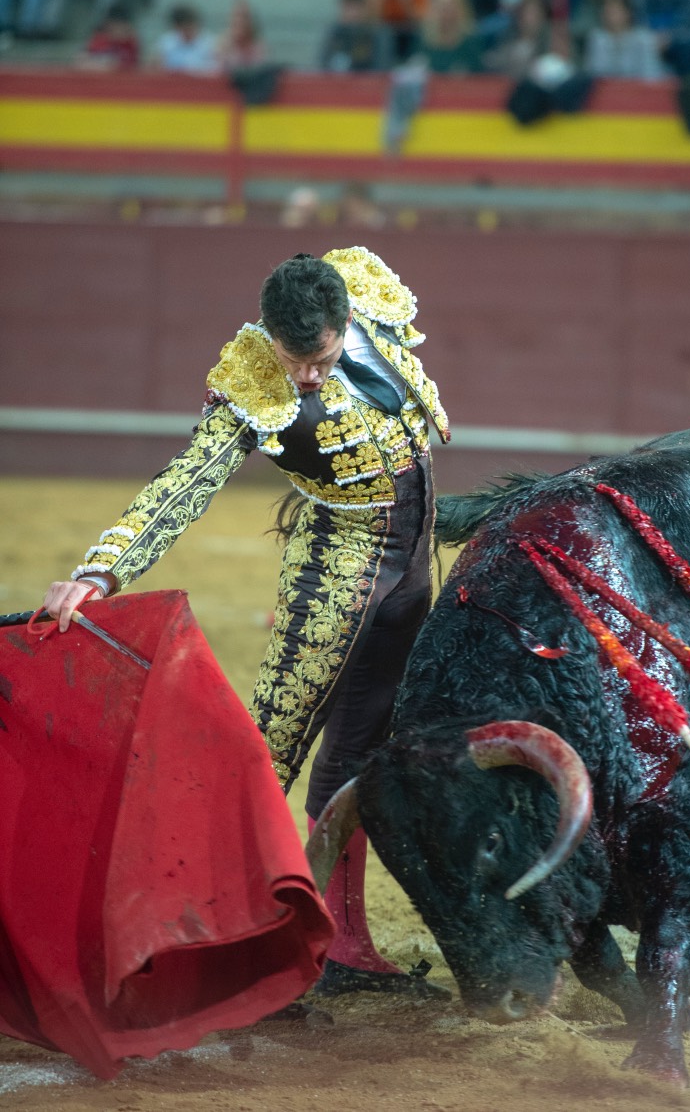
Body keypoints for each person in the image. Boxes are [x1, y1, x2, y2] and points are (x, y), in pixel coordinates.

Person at [42, 247, 452, 999]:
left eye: (319, 356)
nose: (304, 377)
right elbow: (186, 480)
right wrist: (101, 569)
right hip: (337, 565)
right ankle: (194, 933)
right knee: (273, 746)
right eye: (292, 358)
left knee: (363, 747)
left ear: (345, 319)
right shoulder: (252, 382)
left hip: (414, 560)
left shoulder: (368, 294)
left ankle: (341, 940)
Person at [584, 0, 667, 80]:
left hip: (639, 88)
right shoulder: (597, 38)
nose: (609, 15)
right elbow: (594, 73)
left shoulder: (643, 38)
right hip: (607, 89)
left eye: (614, 11)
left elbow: (650, 74)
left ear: (627, 13)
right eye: (606, 11)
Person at [320, 0, 394, 72]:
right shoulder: (334, 32)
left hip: (367, 80)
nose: (351, 13)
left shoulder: (378, 33)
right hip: (337, 81)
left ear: (365, 9)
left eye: (355, 8)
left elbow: (381, 68)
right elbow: (323, 64)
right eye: (347, 8)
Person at [76, 2, 141, 71]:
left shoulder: (130, 44)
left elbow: (135, 66)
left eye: (122, 27)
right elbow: (80, 63)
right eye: (116, 27)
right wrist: (107, 66)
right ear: (108, 26)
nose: (119, 31)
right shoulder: (99, 40)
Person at [155, 3, 219, 74]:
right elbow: (159, 68)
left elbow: (215, 70)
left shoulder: (210, 43)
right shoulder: (166, 43)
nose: (188, 31)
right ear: (177, 27)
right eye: (184, 28)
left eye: (190, 26)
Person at [216, 0, 267, 73]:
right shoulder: (222, 44)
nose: (239, 21)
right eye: (236, 17)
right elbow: (217, 72)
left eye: (243, 17)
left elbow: (259, 73)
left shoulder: (258, 47)